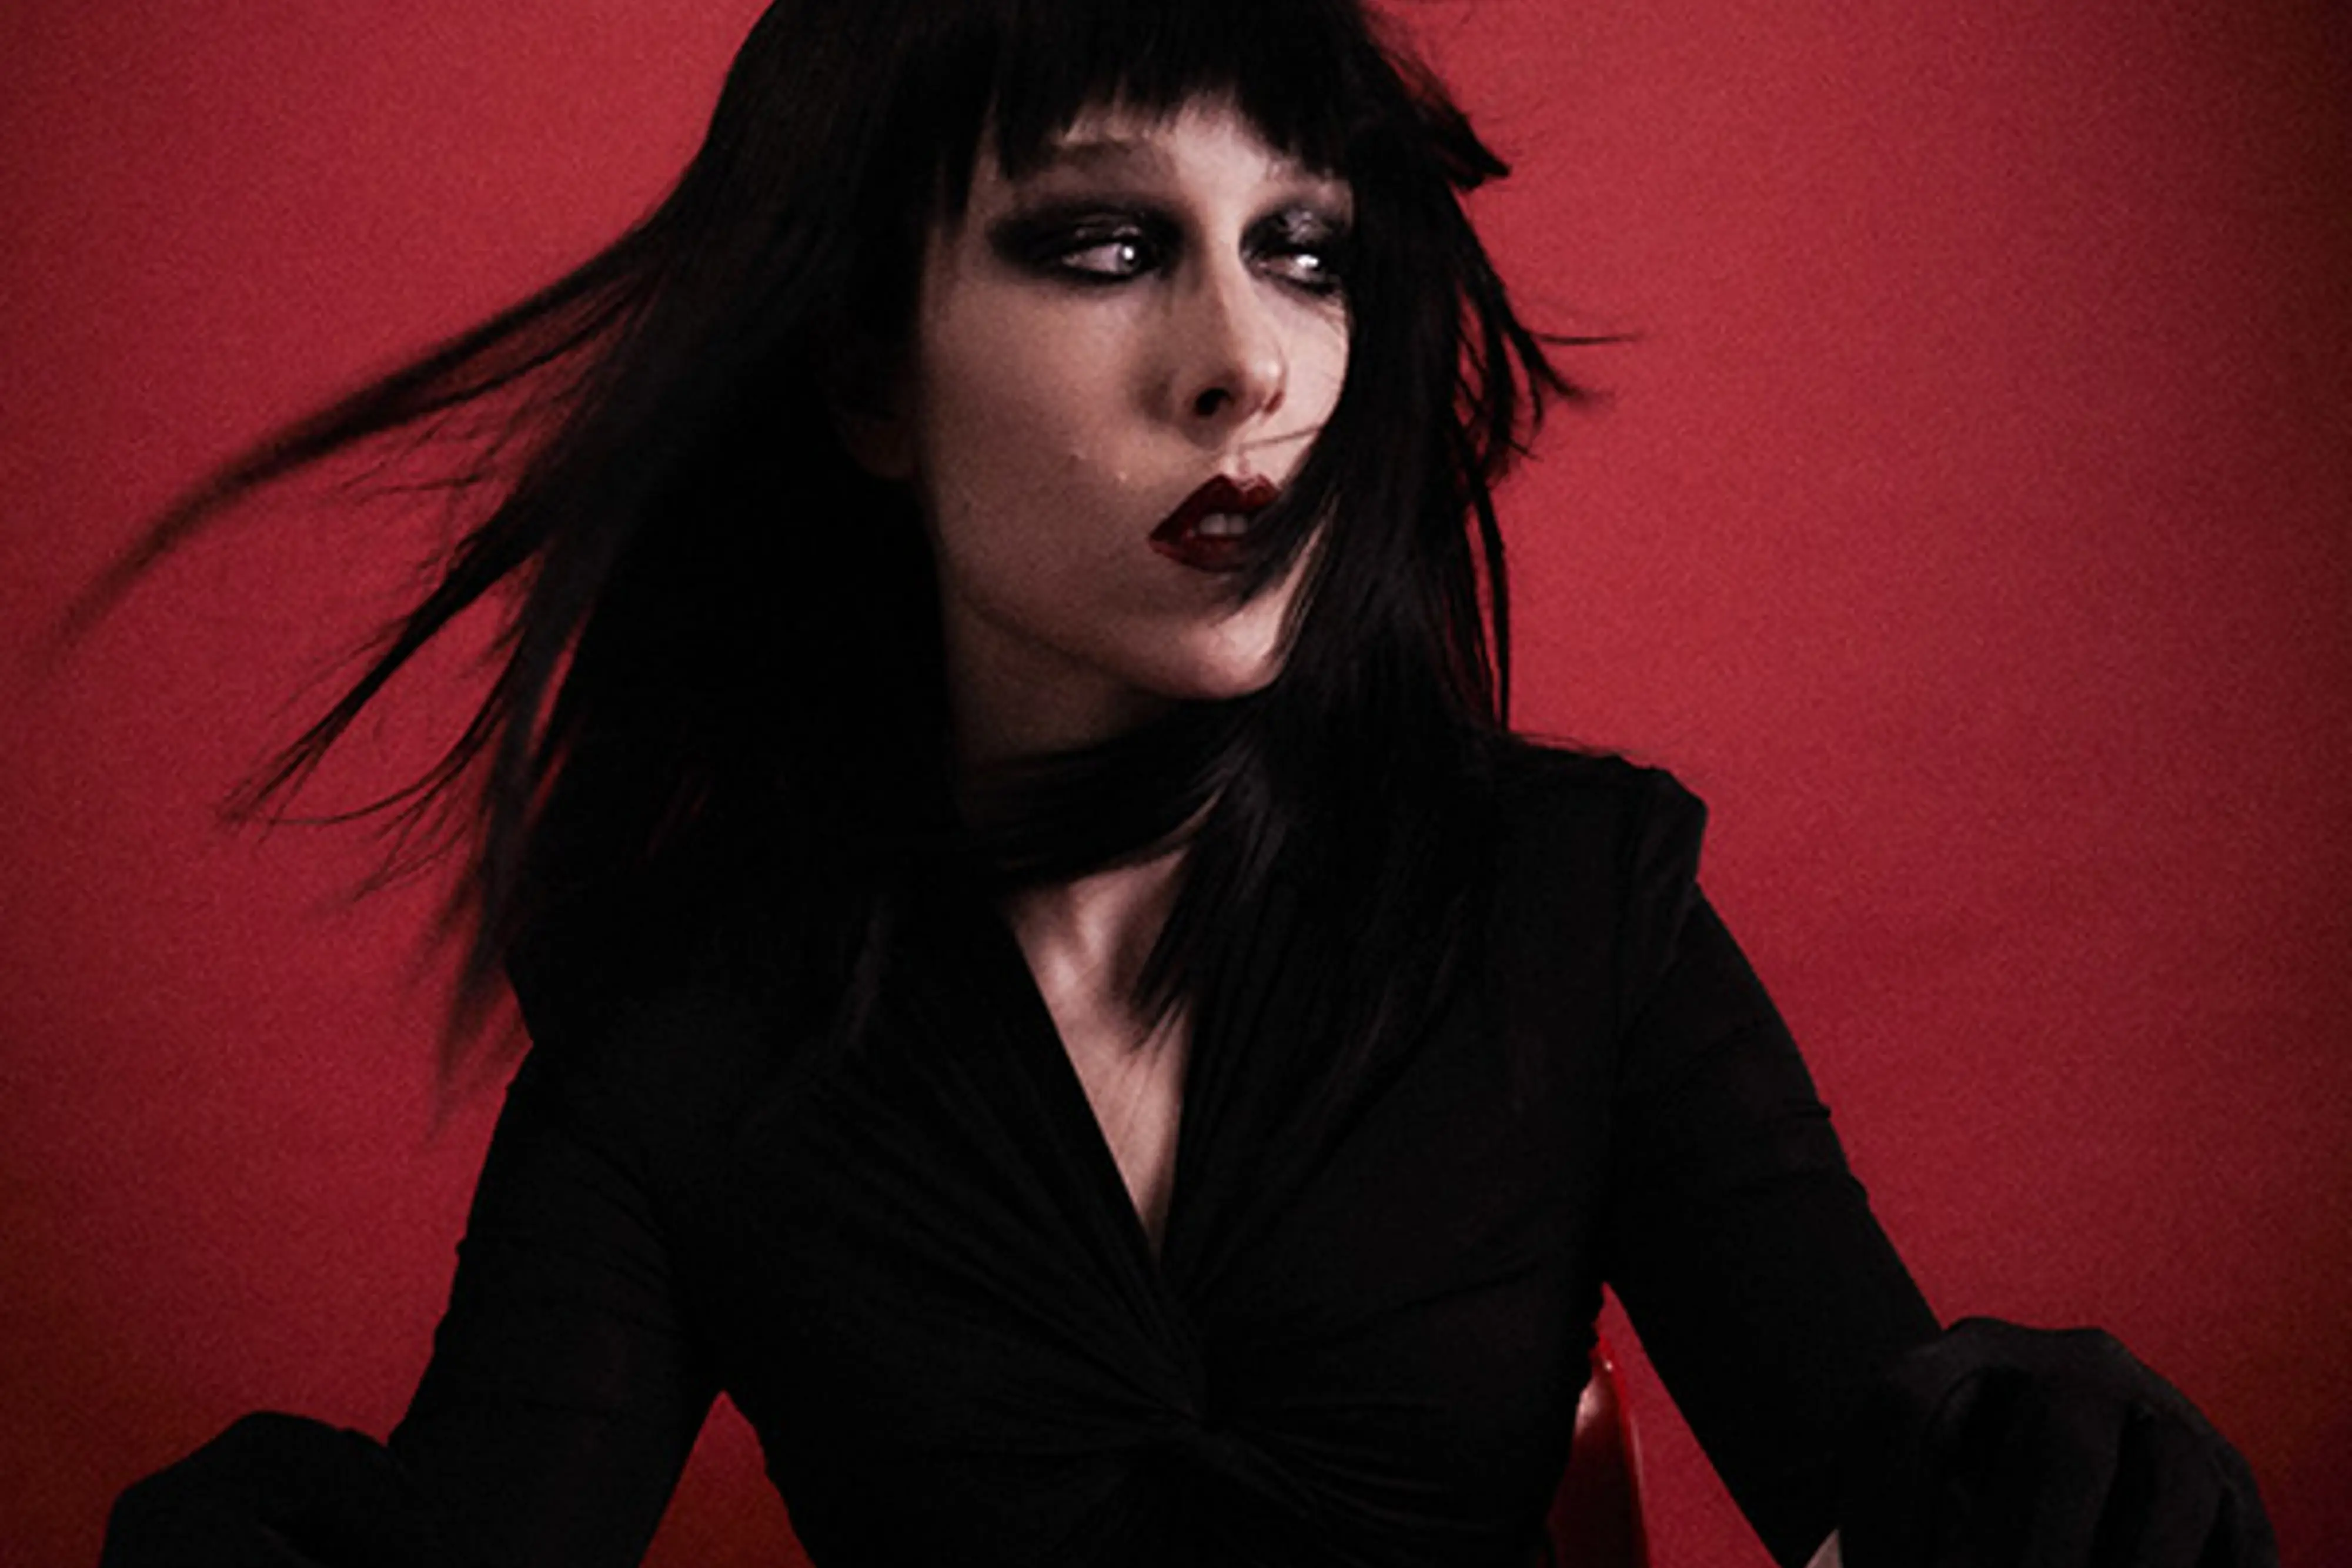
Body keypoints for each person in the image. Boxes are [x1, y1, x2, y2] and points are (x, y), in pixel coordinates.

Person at [90, 1, 2275, 1564]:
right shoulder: (689, 1035)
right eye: (1108, 244)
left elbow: (1881, 1465)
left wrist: (2045, 1482)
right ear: (867, 374)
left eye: (1304, 249)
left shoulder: (1570, 907)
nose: (1252, 361)